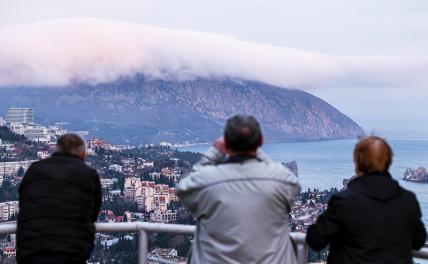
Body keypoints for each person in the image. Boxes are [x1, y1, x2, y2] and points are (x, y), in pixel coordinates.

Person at [177, 114, 301, 264]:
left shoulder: (208, 180)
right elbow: (293, 184)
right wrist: (255, 149)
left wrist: (214, 153)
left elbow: (184, 188)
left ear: (227, 144)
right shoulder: (281, 180)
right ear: (260, 141)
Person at [306, 136, 427, 264]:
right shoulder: (408, 200)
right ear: (387, 162)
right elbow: (418, 240)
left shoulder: (343, 202)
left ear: (358, 164)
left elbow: (316, 239)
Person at [17, 134, 102, 264]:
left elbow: (24, 202)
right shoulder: (88, 174)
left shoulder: (34, 169)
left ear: (56, 149)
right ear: (83, 155)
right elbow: (93, 213)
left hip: (32, 250)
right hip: (71, 251)